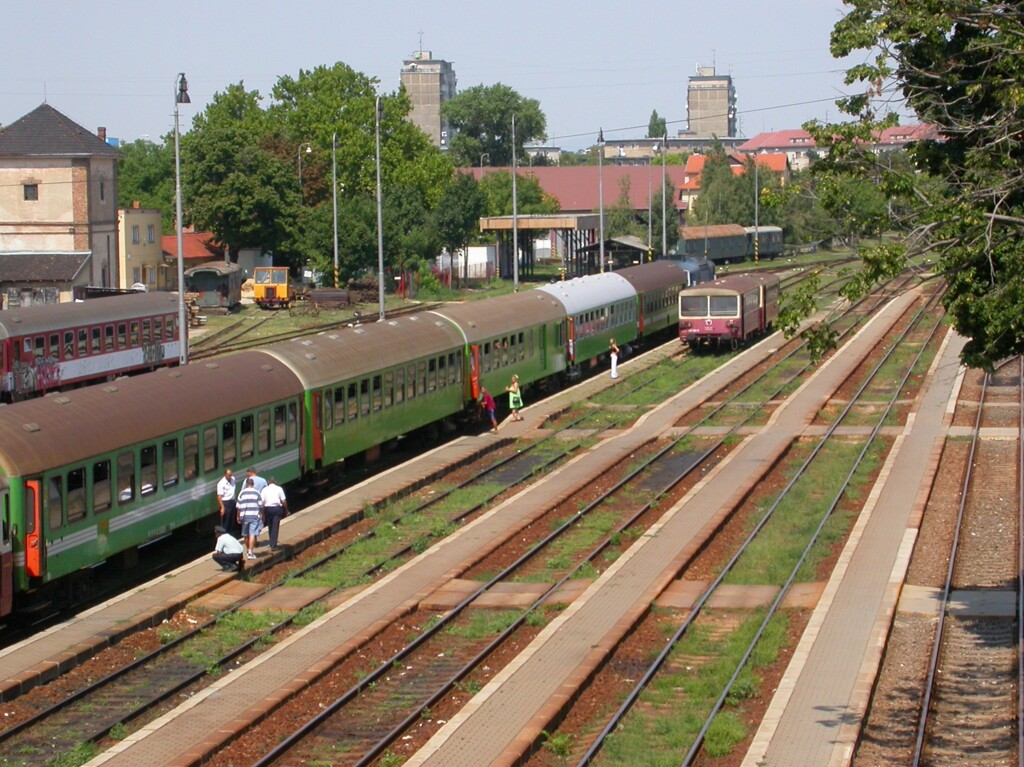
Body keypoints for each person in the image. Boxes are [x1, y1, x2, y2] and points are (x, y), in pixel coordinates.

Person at [236, 477, 263, 559]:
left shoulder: (242, 493)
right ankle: (250, 552)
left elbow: (238, 506)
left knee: (245, 534)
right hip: (254, 515)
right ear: (253, 484)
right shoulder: (257, 493)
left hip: (244, 516)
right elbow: (261, 505)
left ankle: (248, 550)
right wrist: (261, 515)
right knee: (252, 534)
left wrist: (238, 516)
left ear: (247, 484)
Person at [260, 477, 288, 551]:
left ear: (268, 482)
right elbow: (284, 501)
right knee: (275, 526)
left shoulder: (264, 490)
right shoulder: (279, 488)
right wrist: (286, 510)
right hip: (277, 509)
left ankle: (271, 543)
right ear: (275, 482)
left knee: (270, 526)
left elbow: (262, 503)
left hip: (268, 509)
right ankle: (273, 545)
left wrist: (262, 513)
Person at [244, 467, 268, 539]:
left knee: (251, 523)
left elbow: (243, 491)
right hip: (259, 503)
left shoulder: (246, 481)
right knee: (259, 520)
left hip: (250, 505)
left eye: (247, 473)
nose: (246, 475)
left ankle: (254, 538)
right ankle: (256, 535)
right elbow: (266, 491)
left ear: (250, 472)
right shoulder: (263, 480)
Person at [215, 469, 238, 536]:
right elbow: (219, 496)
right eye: (228, 475)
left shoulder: (233, 479)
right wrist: (222, 507)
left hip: (232, 502)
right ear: (225, 475)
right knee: (226, 521)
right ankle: (225, 535)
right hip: (226, 503)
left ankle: (232, 535)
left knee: (232, 521)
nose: (230, 477)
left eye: (231, 475)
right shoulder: (221, 483)